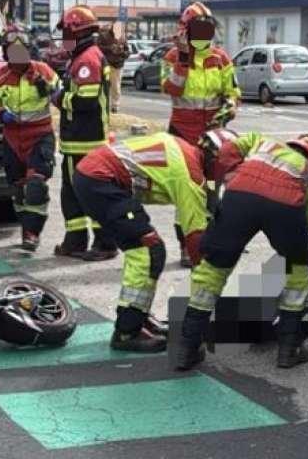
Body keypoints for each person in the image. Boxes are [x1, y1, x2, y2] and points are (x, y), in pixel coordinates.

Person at [173, 129, 308, 371]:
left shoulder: (262, 141)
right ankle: (289, 350)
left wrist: (231, 180)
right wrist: (291, 245)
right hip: (285, 204)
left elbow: (227, 150)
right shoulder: (307, 174)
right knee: (299, 270)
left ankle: (187, 348)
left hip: (239, 197)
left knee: (213, 268)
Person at [73, 131, 210, 352]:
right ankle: (127, 332)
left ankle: (138, 318)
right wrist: (204, 279)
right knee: (147, 251)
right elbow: (195, 235)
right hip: (101, 180)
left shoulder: (185, 149)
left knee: (148, 249)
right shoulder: (190, 175)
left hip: (94, 176)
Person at [160, 1, 240, 266]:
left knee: (212, 189)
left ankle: (211, 241)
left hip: (213, 136)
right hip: (182, 134)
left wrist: (230, 106)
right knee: (187, 191)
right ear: (185, 31)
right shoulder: (172, 57)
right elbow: (172, 89)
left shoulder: (221, 58)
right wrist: (183, 58)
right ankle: (187, 246)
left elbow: (232, 91)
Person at [0, 24, 60, 251]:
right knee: (18, 189)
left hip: (40, 136)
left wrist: (49, 90)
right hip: (12, 140)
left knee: (36, 186)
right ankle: (25, 228)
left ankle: (32, 234)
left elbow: (63, 99)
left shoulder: (43, 71)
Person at [53, 5, 117, 261]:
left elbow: (85, 101)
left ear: (77, 33)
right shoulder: (81, 57)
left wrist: (58, 98)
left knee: (88, 194)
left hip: (85, 142)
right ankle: (76, 240)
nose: (64, 41)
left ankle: (105, 243)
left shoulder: (87, 59)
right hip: (77, 142)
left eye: (67, 34)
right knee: (72, 196)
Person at [98, 22, 128, 113]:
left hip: (118, 65)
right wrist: (110, 48)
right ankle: (102, 104)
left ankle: (115, 106)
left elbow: (127, 51)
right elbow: (97, 47)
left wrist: (122, 52)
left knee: (116, 87)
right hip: (107, 64)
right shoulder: (104, 36)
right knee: (104, 85)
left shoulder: (122, 38)